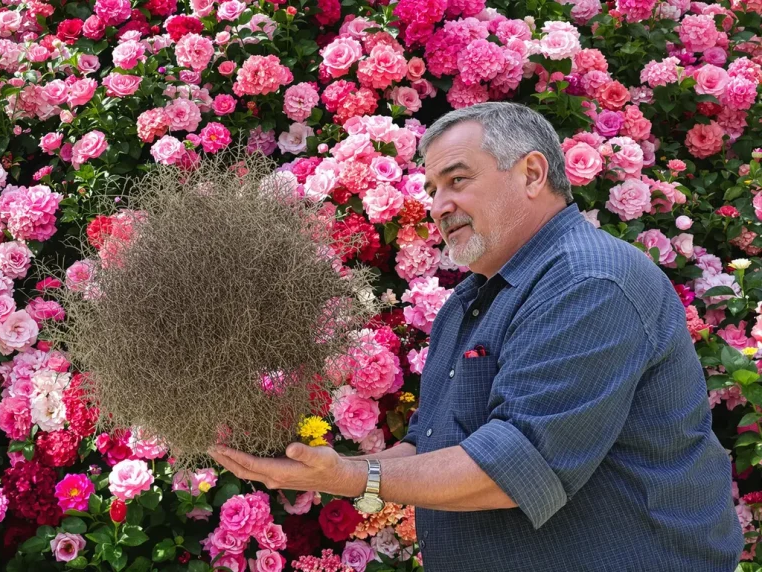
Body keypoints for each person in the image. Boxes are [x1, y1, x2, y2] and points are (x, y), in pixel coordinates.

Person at [209, 102, 744, 571]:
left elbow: (514, 468)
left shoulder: (589, 281)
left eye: (457, 180)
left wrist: (354, 479)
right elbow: (427, 447)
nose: (438, 206)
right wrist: (322, 471)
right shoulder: (470, 302)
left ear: (532, 173)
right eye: (433, 189)